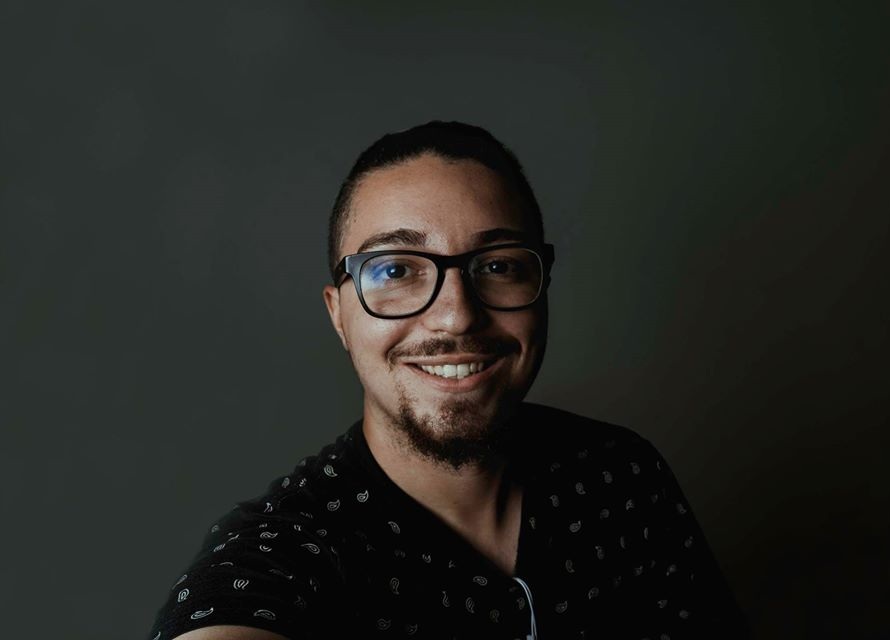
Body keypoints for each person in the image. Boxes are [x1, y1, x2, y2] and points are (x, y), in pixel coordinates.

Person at [147, 121, 750, 639]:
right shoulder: (285, 554)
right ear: (339, 315)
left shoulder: (622, 476)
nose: (457, 315)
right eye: (395, 270)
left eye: (499, 265)